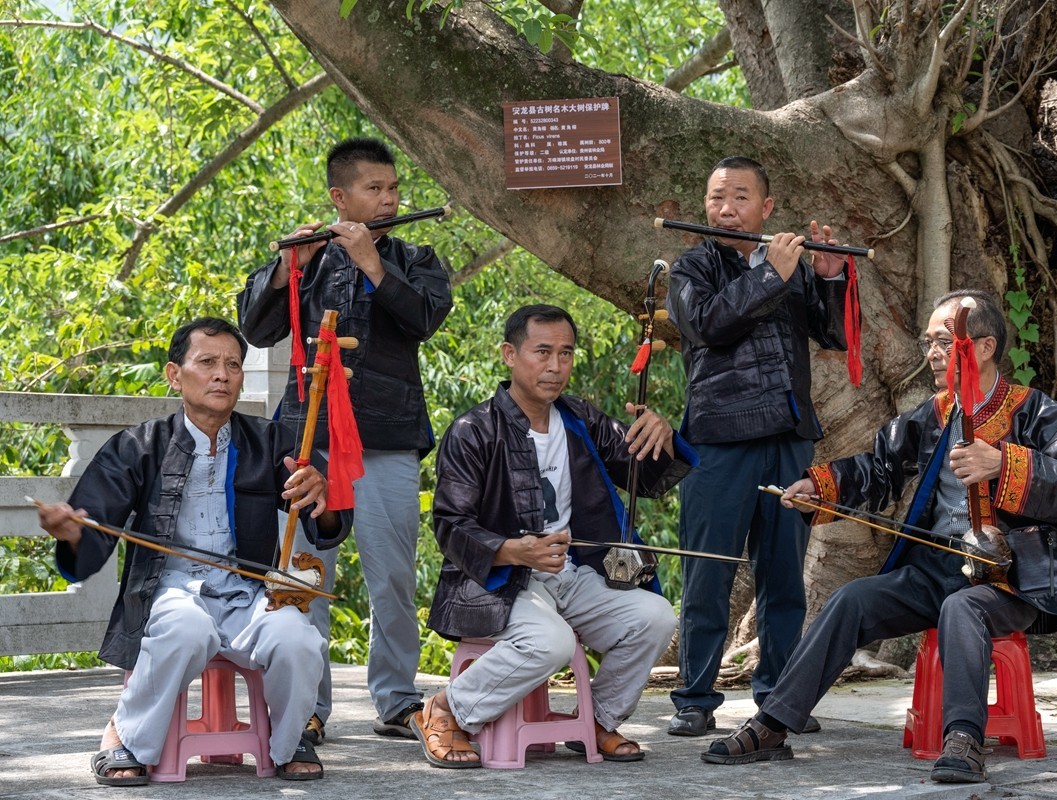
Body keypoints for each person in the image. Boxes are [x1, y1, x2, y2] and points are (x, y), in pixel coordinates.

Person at [701, 289, 1057, 782]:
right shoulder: (933, 414)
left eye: (943, 342)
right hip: (937, 570)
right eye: (928, 343)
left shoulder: (1037, 413)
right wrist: (820, 487)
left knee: (964, 608)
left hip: (1012, 578)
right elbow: (878, 469)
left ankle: (963, 739)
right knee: (852, 599)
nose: (933, 354)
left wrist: (1004, 463)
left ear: (983, 346)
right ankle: (772, 724)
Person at [37, 317, 351, 785]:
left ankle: (288, 743)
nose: (222, 374)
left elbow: (327, 524)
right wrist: (71, 533)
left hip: (247, 593)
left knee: (299, 638)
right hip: (169, 592)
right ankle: (127, 736)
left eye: (232, 365)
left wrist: (322, 496)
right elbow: (92, 527)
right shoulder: (138, 446)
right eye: (206, 362)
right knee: (185, 629)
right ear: (174, 374)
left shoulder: (273, 442)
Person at [412, 304, 696, 768]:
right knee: (552, 641)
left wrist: (660, 435)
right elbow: (449, 524)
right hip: (497, 582)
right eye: (541, 351)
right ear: (509, 354)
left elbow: (642, 479)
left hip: (573, 574)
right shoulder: (473, 430)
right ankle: (445, 709)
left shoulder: (580, 419)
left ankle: (597, 719)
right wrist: (509, 550)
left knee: (655, 617)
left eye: (565, 353)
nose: (555, 366)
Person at [238, 137, 453, 744]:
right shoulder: (306, 260)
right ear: (341, 197)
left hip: (385, 437)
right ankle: (306, 701)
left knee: (391, 576)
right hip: (309, 440)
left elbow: (425, 319)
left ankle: (395, 697)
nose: (388, 201)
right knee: (306, 571)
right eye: (373, 190)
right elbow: (255, 327)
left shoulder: (415, 258)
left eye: (392, 189)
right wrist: (285, 266)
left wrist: (373, 265)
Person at [665, 155, 850, 736]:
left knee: (783, 575)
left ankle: (778, 696)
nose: (727, 208)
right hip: (719, 440)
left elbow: (833, 334)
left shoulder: (789, 263)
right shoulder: (690, 267)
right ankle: (694, 697)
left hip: (787, 437)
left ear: (766, 208)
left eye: (741, 197)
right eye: (718, 196)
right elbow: (710, 327)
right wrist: (770, 273)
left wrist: (827, 276)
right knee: (709, 573)